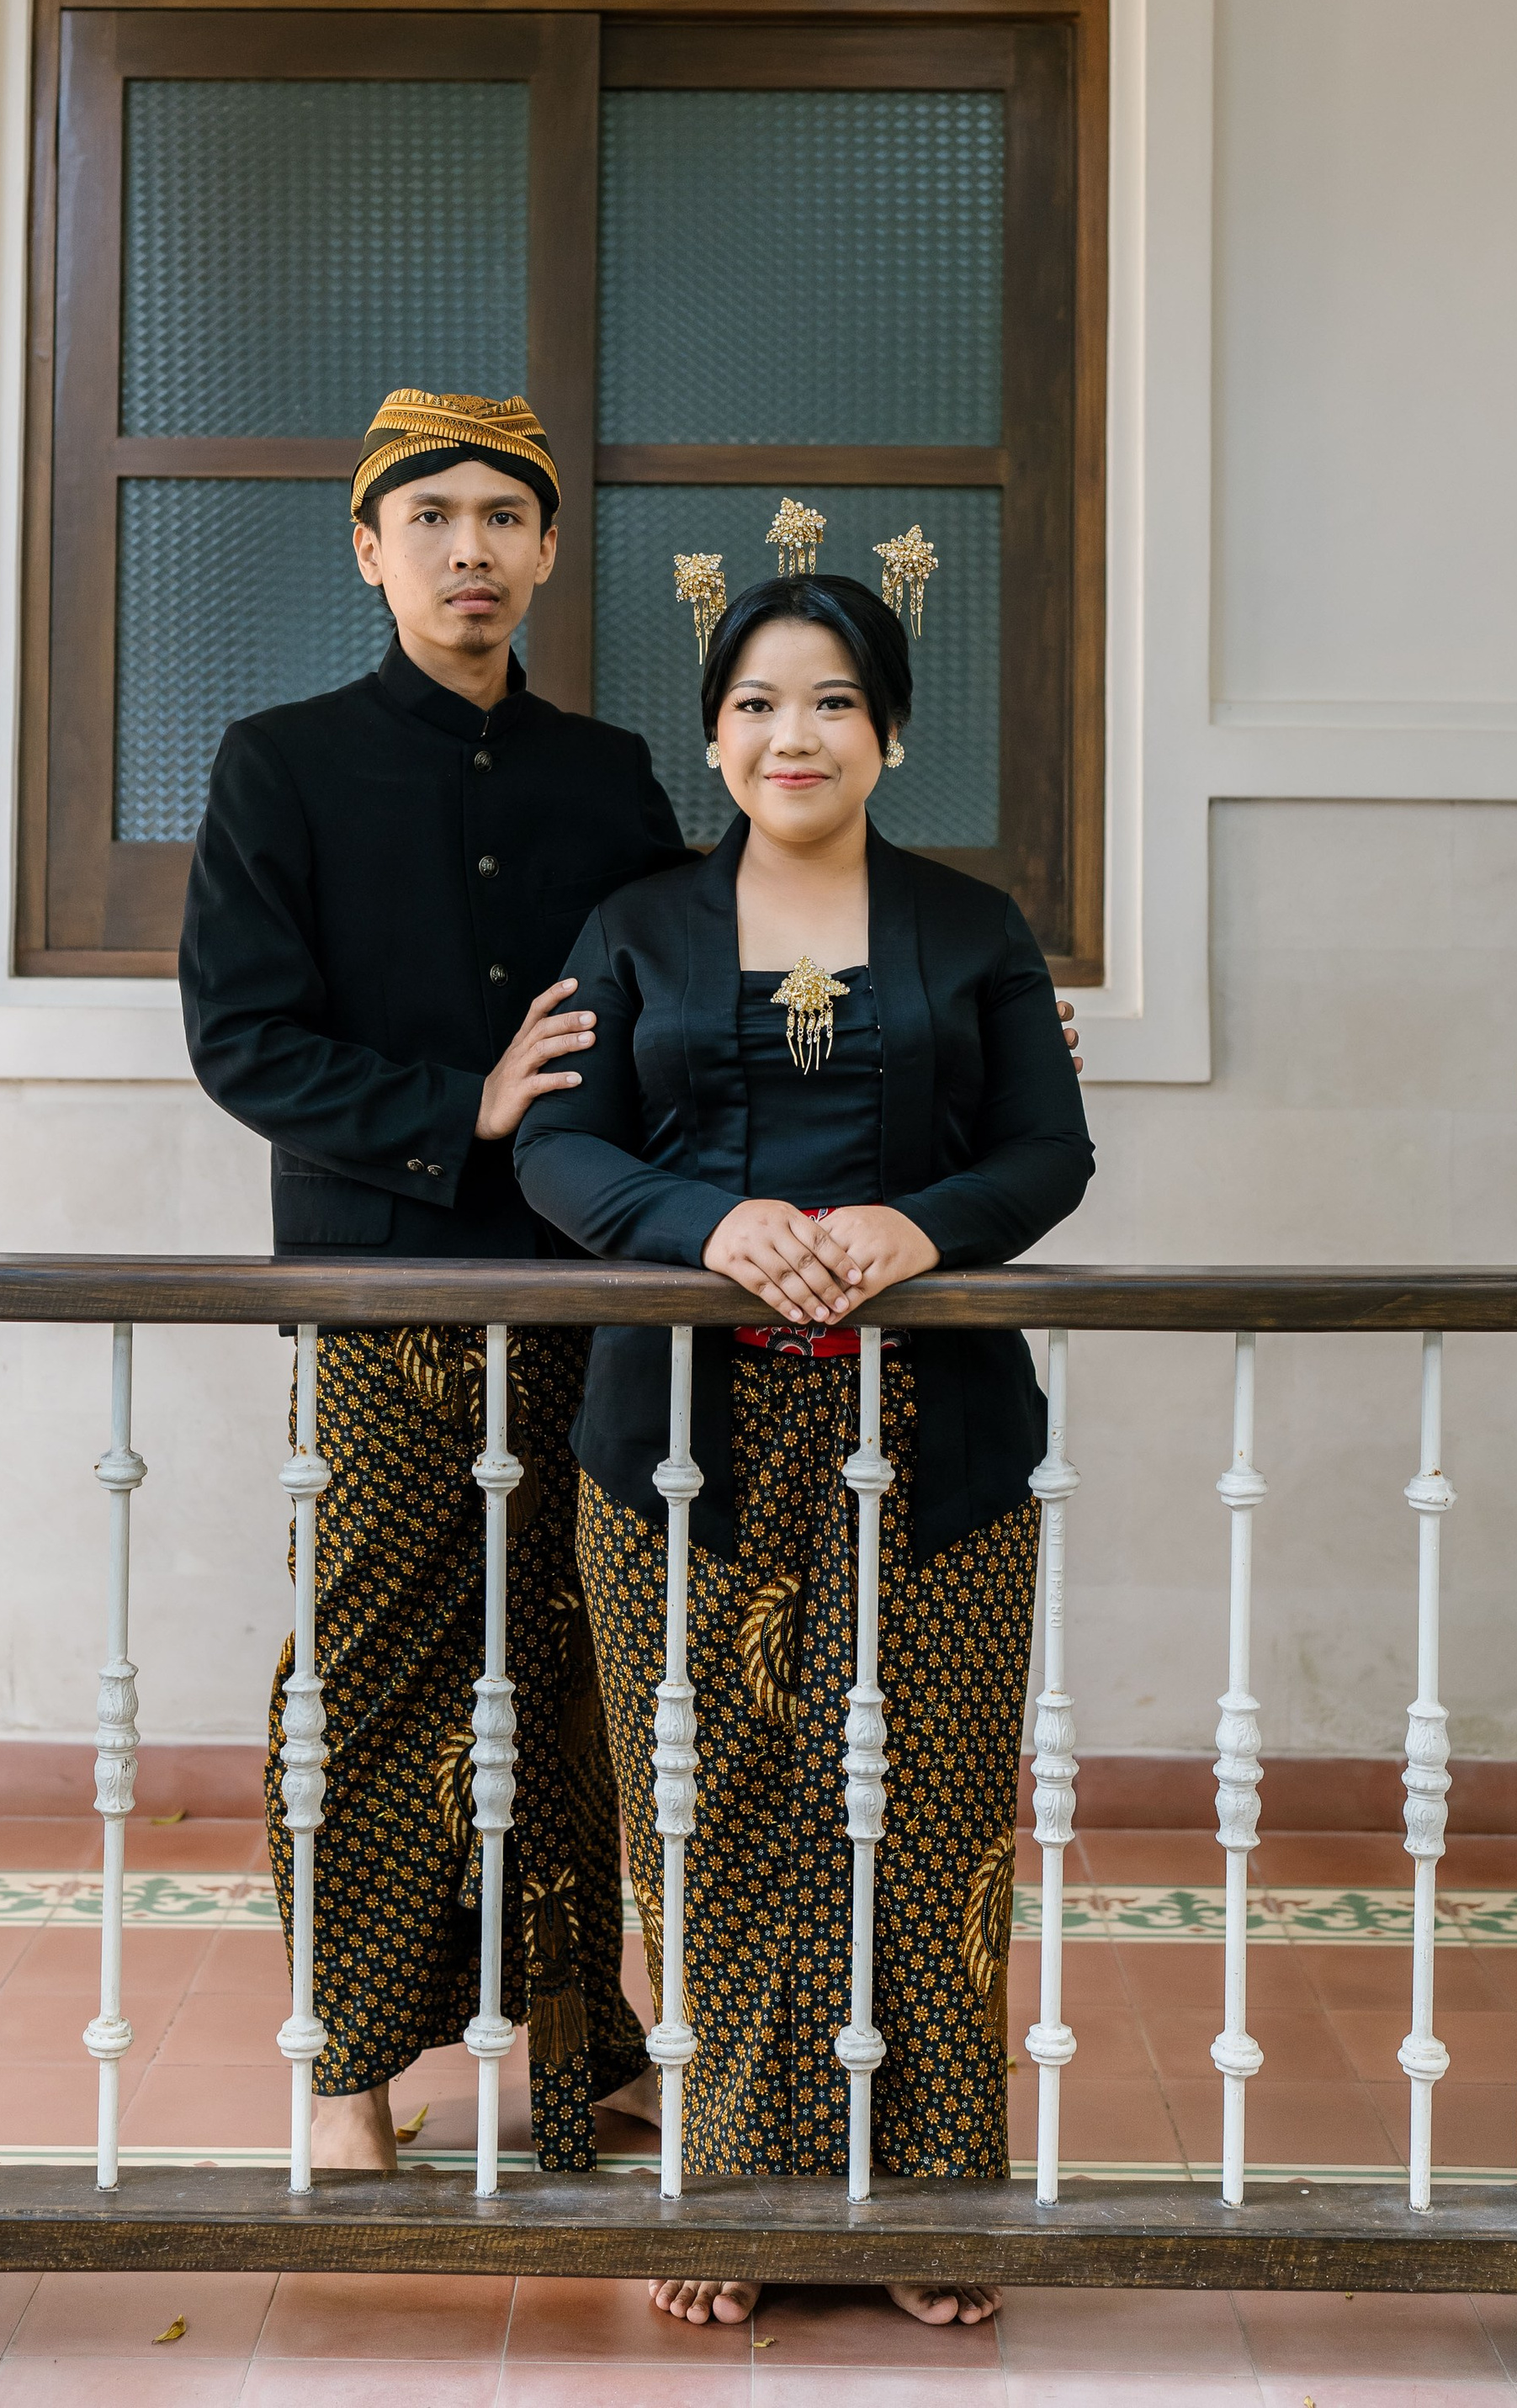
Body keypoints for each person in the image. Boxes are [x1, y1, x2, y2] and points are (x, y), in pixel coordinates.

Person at [516, 562, 1095, 2329]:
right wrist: (704, 1223)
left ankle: (927, 2201)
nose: (796, 734)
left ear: (890, 732)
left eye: (834, 701)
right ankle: (734, 2192)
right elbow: (559, 1149)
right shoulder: (633, 927)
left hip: (936, 1449)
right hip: (678, 1451)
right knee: (712, 1821)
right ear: (713, 736)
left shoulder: (973, 928)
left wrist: (923, 1227)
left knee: (928, 1812)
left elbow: (1047, 1150)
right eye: (758, 702)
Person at [178, 388, 687, 2175]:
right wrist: (457, 1104)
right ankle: (347, 2075)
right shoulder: (280, 762)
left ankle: (582, 2052)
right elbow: (243, 1040)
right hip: (381, 1291)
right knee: (378, 1667)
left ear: (546, 550)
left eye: (502, 518)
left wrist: (952, 1020)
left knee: (577, 1665)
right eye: (432, 518)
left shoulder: (606, 775)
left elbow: (691, 993)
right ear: (369, 549)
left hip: (584, 1287)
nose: (470, 550)